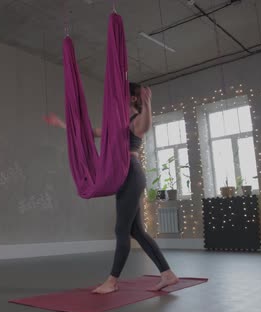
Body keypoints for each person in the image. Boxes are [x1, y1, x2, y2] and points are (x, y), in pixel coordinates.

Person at [45, 83, 178, 294]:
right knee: (136, 231)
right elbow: (88, 133)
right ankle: (167, 274)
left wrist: (147, 102)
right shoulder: (117, 125)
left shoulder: (136, 121)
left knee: (121, 230)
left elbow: (145, 126)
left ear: (133, 99)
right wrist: (62, 124)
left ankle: (112, 281)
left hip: (131, 175)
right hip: (125, 176)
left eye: (120, 95)